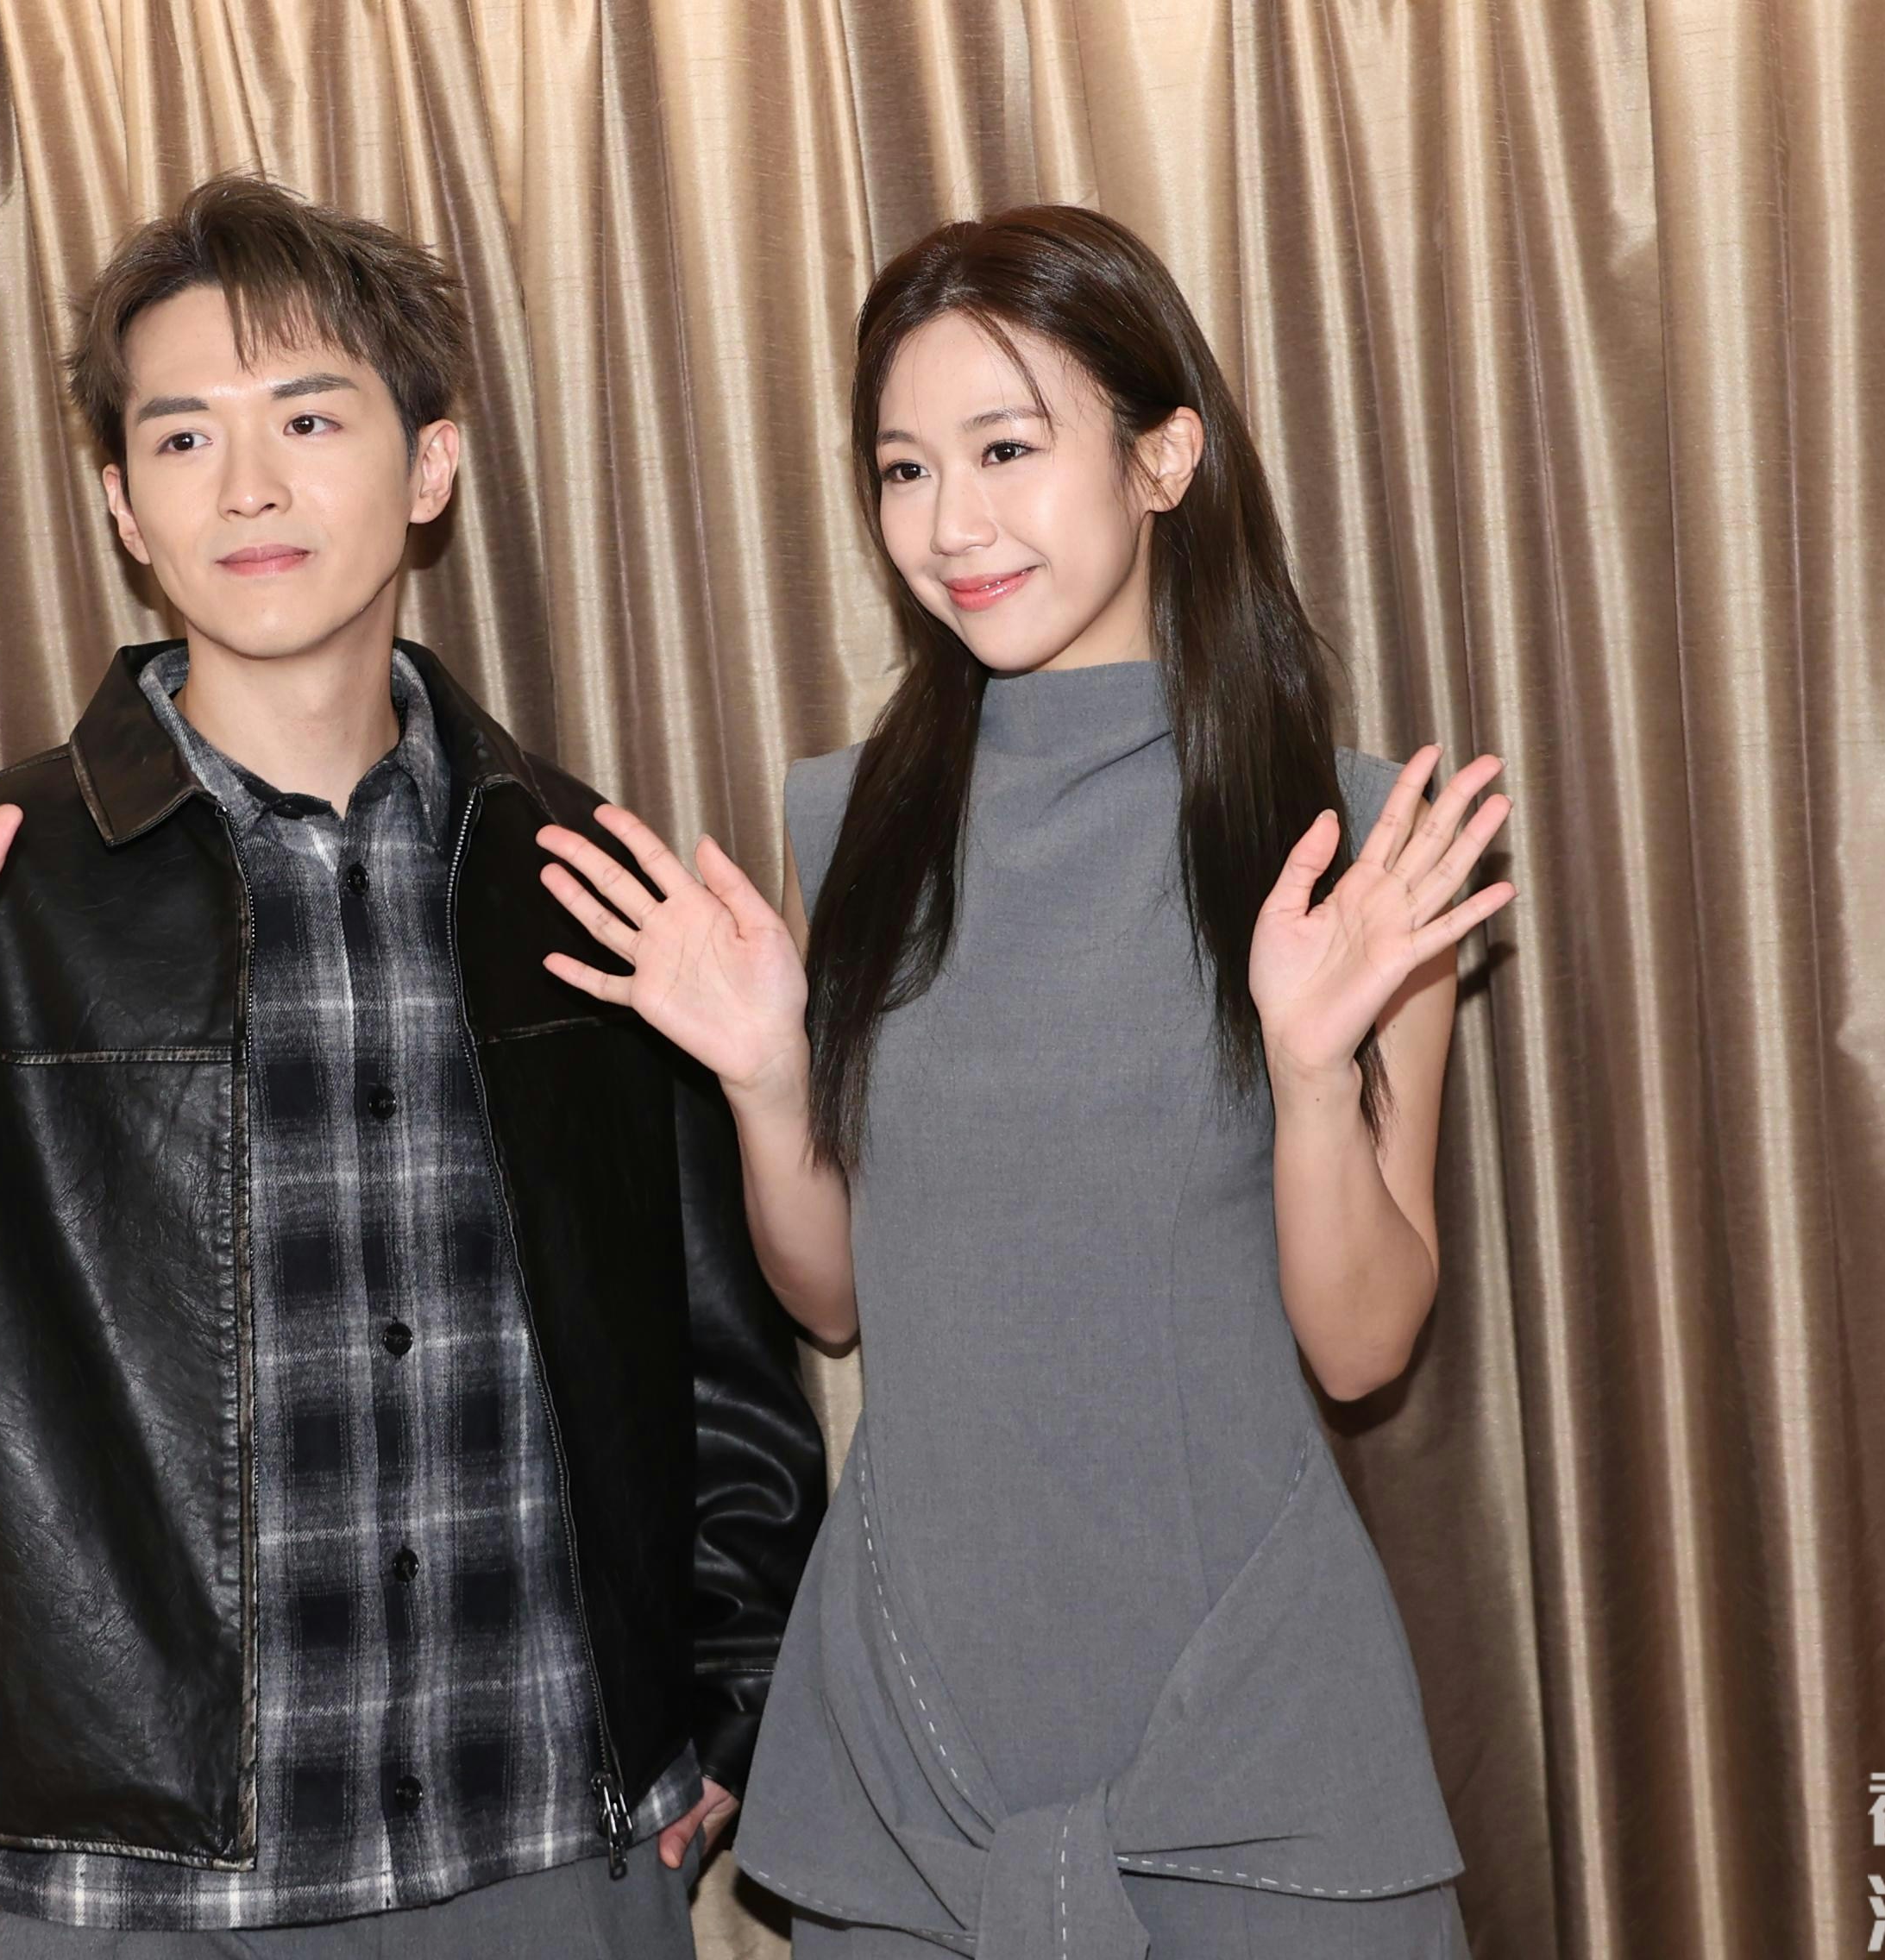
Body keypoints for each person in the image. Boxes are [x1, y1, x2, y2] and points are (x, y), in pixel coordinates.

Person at [0, 172, 824, 1958]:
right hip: (135, 1886)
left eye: (308, 416)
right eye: (183, 435)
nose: (248, 485)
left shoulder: (576, 870)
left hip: (551, 1845)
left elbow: (721, 1358)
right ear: (121, 505)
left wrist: (721, 1699)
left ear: (430, 465)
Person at [529, 205, 1515, 1958]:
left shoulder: (1352, 840)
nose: (949, 525)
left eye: (1004, 449)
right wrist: (765, 1078)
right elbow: (837, 1299)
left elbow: (1366, 1346)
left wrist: (1309, 1071)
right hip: (914, 1742)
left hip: (1250, 1732)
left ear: (1164, 455)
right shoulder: (852, 823)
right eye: (903, 470)